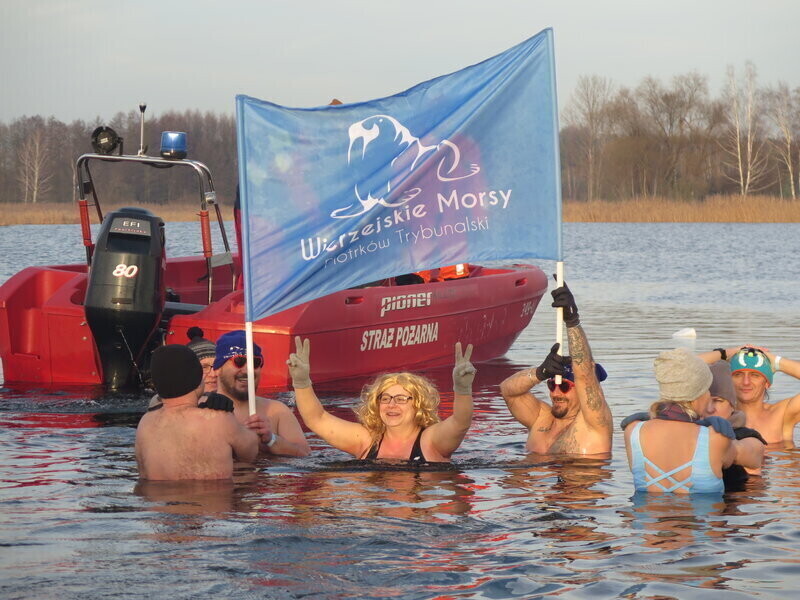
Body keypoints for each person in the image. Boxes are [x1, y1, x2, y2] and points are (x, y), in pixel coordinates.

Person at [287, 337, 475, 463]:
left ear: (417, 405)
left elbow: (460, 422)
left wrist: (462, 388)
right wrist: (302, 381)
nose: (391, 404)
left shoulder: (431, 441)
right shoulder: (366, 440)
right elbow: (317, 419)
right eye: (385, 398)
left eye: (401, 399)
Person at [623, 348, 764, 494]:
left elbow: (677, 371)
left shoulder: (632, 430)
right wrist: (736, 436)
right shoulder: (714, 438)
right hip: (701, 515)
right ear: (700, 393)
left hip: (645, 516)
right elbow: (753, 458)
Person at [500, 281, 612, 455]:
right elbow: (508, 391)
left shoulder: (594, 423)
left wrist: (572, 321)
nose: (556, 393)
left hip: (573, 478)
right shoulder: (541, 418)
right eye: (553, 385)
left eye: (565, 386)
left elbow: (585, 376)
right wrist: (540, 373)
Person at [135, 344, 259, 480]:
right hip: (210, 499)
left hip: (153, 498)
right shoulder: (217, 419)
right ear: (198, 377)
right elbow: (251, 452)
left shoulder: (145, 424)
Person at [213, 330, 310, 457]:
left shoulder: (277, 411)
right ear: (217, 369)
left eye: (255, 362)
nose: (248, 371)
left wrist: (271, 440)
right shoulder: (202, 411)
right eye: (239, 361)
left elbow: (305, 455)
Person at [699, 346, 800, 445]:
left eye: (754, 375)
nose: (746, 382)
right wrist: (724, 354)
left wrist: (777, 363)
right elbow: (685, 371)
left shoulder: (782, 415)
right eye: (738, 375)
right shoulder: (716, 414)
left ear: (767, 383)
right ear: (729, 380)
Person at [147, 327, 218, 410]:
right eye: (204, 367)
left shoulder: (231, 399)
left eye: (217, 365)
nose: (214, 374)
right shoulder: (160, 404)